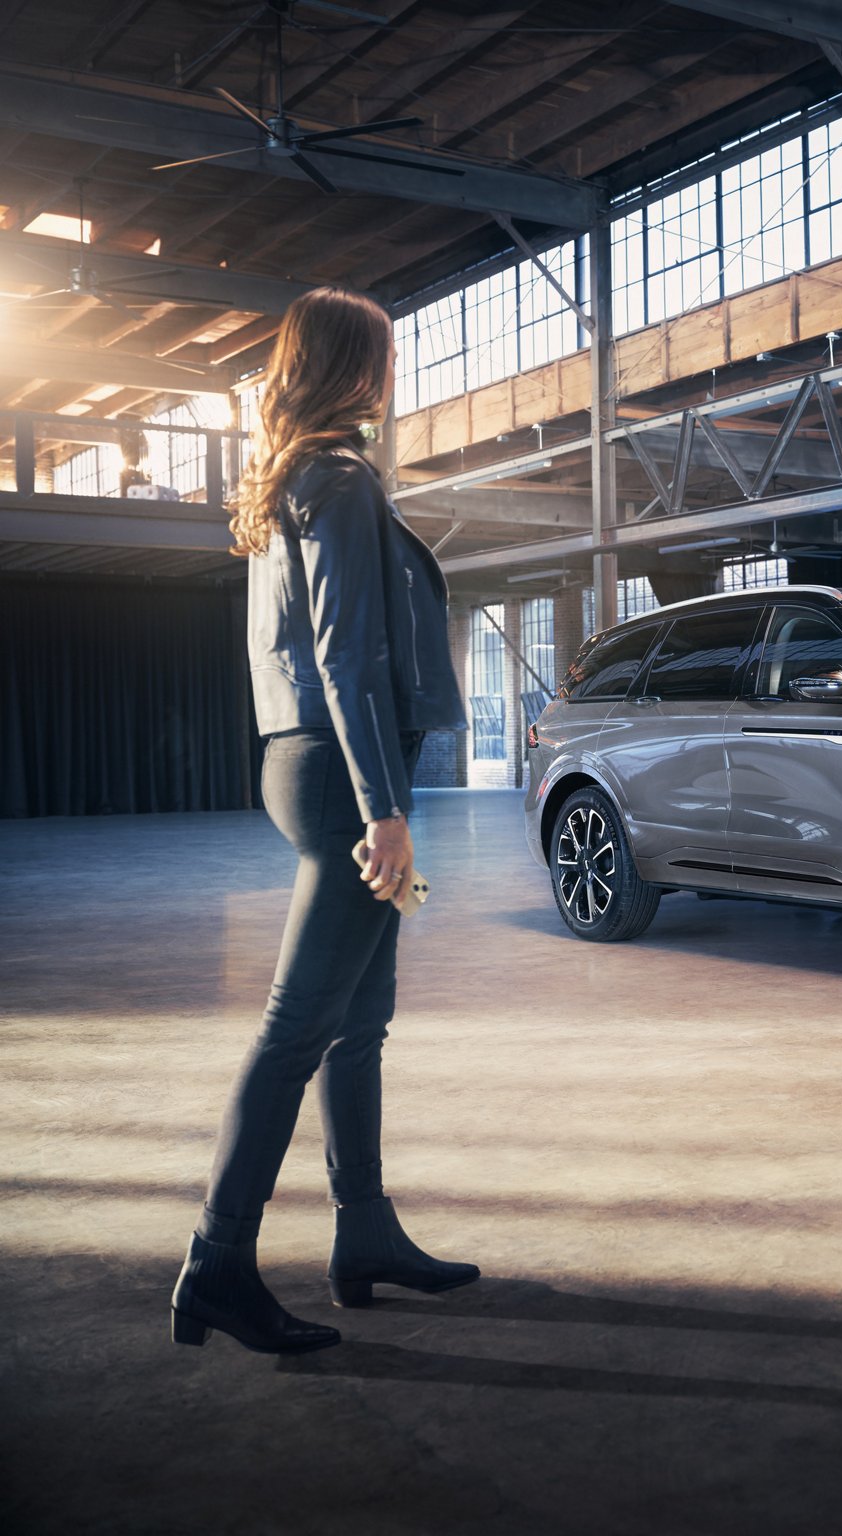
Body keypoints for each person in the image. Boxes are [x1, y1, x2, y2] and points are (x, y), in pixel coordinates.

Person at [172, 286, 474, 1354]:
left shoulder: (292, 475)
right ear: (361, 369)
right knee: (296, 1028)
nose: (394, 380)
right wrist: (384, 811)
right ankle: (216, 1265)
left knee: (359, 1019)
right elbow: (345, 657)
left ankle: (366, 1233)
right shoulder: (338, 481)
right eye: (386, 359)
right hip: (345, 773)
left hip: (299, 758)